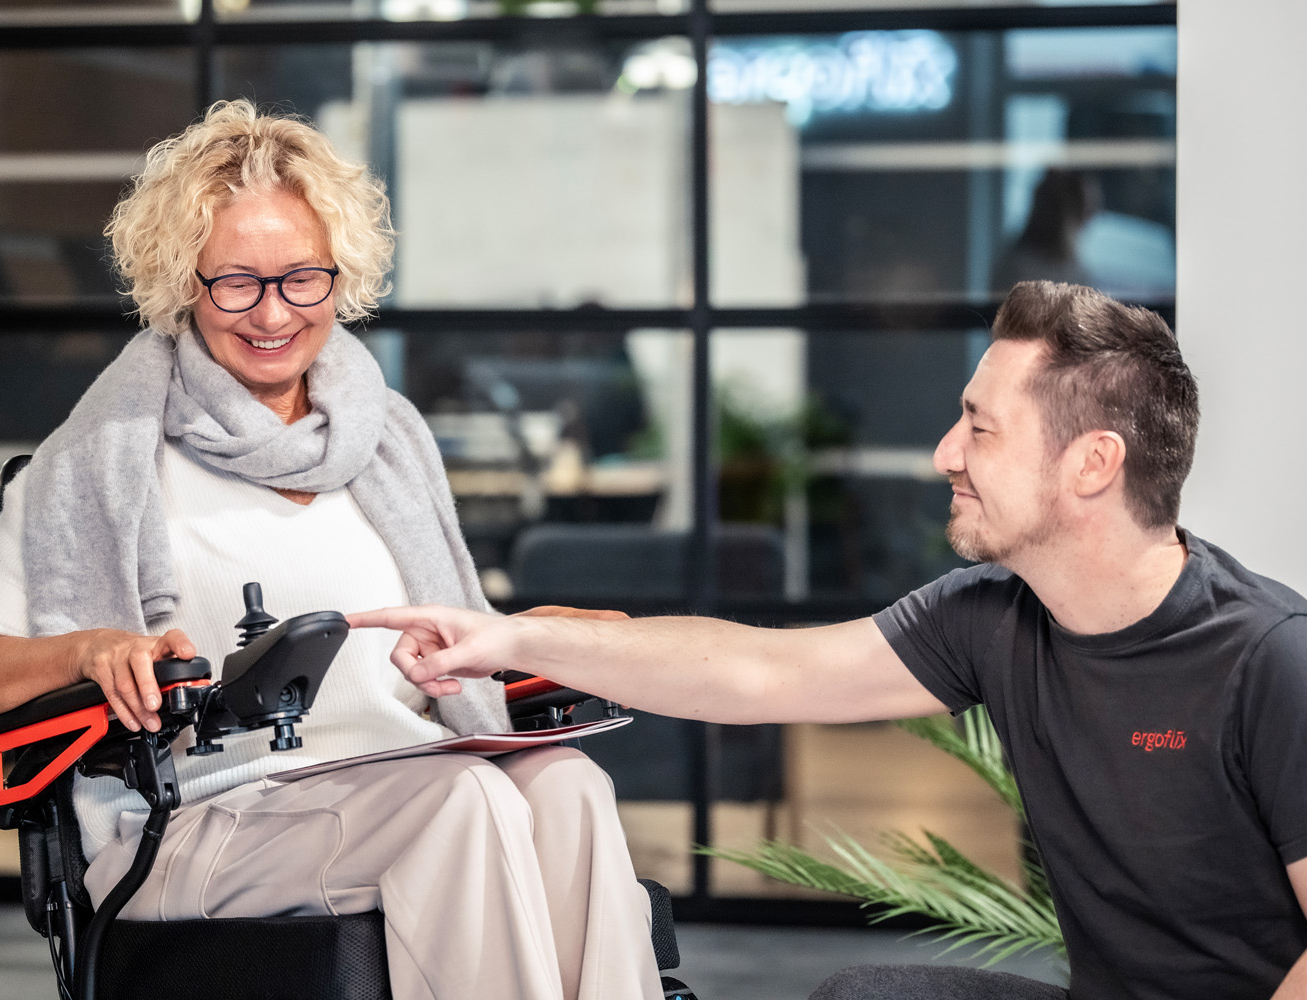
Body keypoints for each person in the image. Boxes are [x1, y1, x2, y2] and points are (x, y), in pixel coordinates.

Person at [354, 280, 1307, 1000]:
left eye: (980, 428)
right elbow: (762, 672)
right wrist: (512, 638)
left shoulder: (1270, 658)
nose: (945, 452)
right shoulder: (994, 618)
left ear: (1093, 463)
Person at [0, 98, 662, 1000]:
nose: (273, 312)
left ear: (339, 277)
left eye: (301, 278)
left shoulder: (387, 440)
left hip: (406, 774)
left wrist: (527, 638)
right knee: (466, 802)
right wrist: (88, 650)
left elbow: (447, 641)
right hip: (199, 819)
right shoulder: (95, 465)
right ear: (184, 282)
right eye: (236, 282)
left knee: (567, 784)